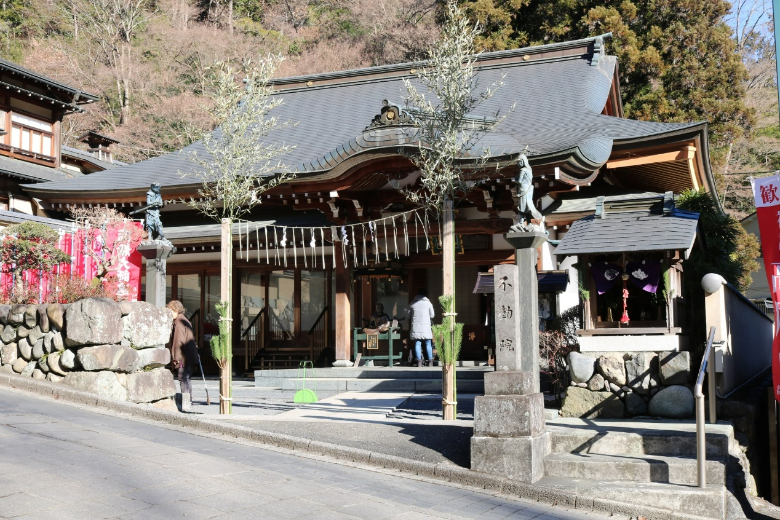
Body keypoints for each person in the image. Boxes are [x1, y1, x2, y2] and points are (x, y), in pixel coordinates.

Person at [167, 300, 200, 412]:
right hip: (188, 355)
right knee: (186, 377)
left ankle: (186, 402)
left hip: (183, 356)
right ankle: (188, 400)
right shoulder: (184, 320)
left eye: (170, 310)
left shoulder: (179, 323)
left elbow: (178, 342)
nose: (169, 313)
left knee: (182, 377)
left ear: (176, 310)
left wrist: (176, 358)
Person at [407, 288, 435, 367]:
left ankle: (419, 361)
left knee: (417, 344)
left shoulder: (412, 303)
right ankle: (430, 362)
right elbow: (432, 315)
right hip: (426, 327)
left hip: (416, 327)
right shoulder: (429, 303)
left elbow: (408, 315)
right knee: (428, 344)